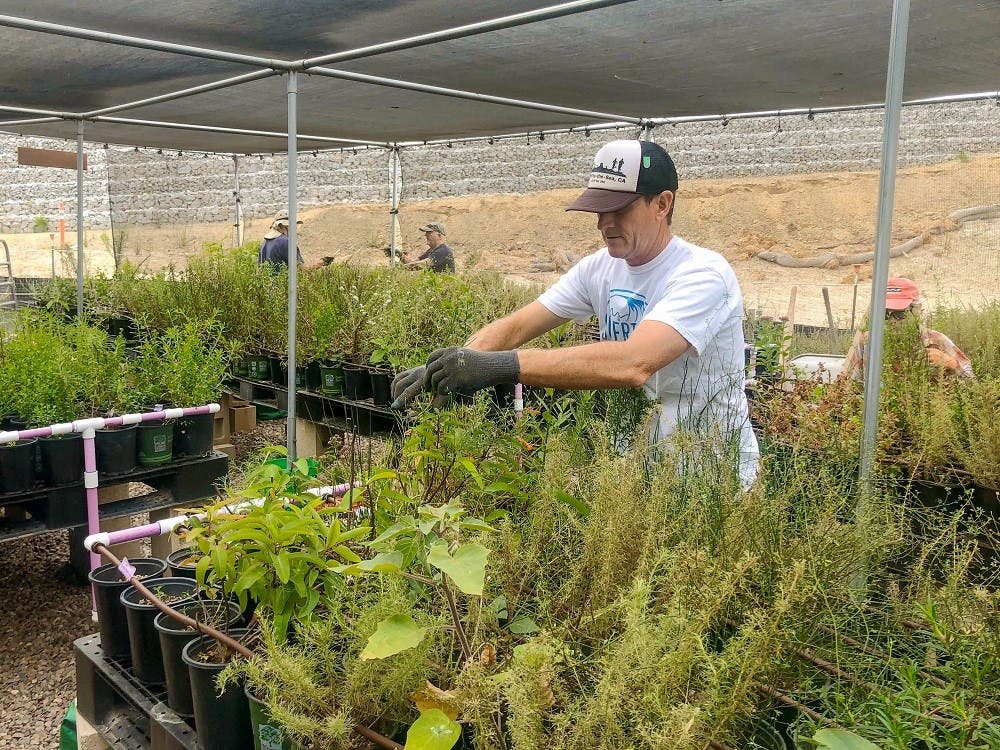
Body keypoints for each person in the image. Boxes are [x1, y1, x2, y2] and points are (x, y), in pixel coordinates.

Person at [392, 139, 760, 488]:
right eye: (600, 210)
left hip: (709, 474)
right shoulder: (600, 268)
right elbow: (518, 325)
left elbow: (635, 363)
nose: (604, 224)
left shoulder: (702, 274)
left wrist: (496, 367)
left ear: (662, 204)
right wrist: (452, 363)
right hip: (634, 468)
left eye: (619, 210)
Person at [840, 277, 974, 381]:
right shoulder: (868, 342)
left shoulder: (936, 341)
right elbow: (844, 386)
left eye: (899, 314)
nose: (892, 321)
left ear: (916, 311)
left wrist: (950, 363)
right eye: (886, 314)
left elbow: (972, 385)